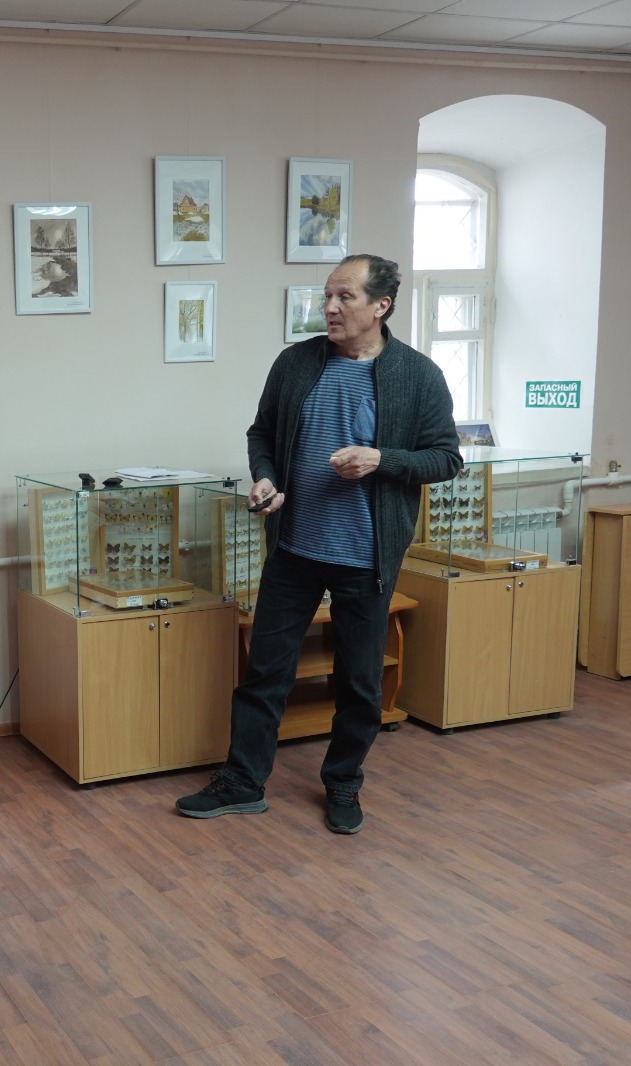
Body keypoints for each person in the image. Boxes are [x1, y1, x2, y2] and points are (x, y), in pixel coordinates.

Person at [177, 254, 462, 835]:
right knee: (265, 674)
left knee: (358, 683)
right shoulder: (296, 363)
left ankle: (343, 782)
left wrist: (381, 459)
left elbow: (445, 459)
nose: (328, 307)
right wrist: (265, 478)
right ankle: (243, 782)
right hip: (294, 550)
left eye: (344, 297)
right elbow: (262, 432)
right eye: (327, 296)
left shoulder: (418, 375)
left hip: (366, 558)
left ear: (381, 306)